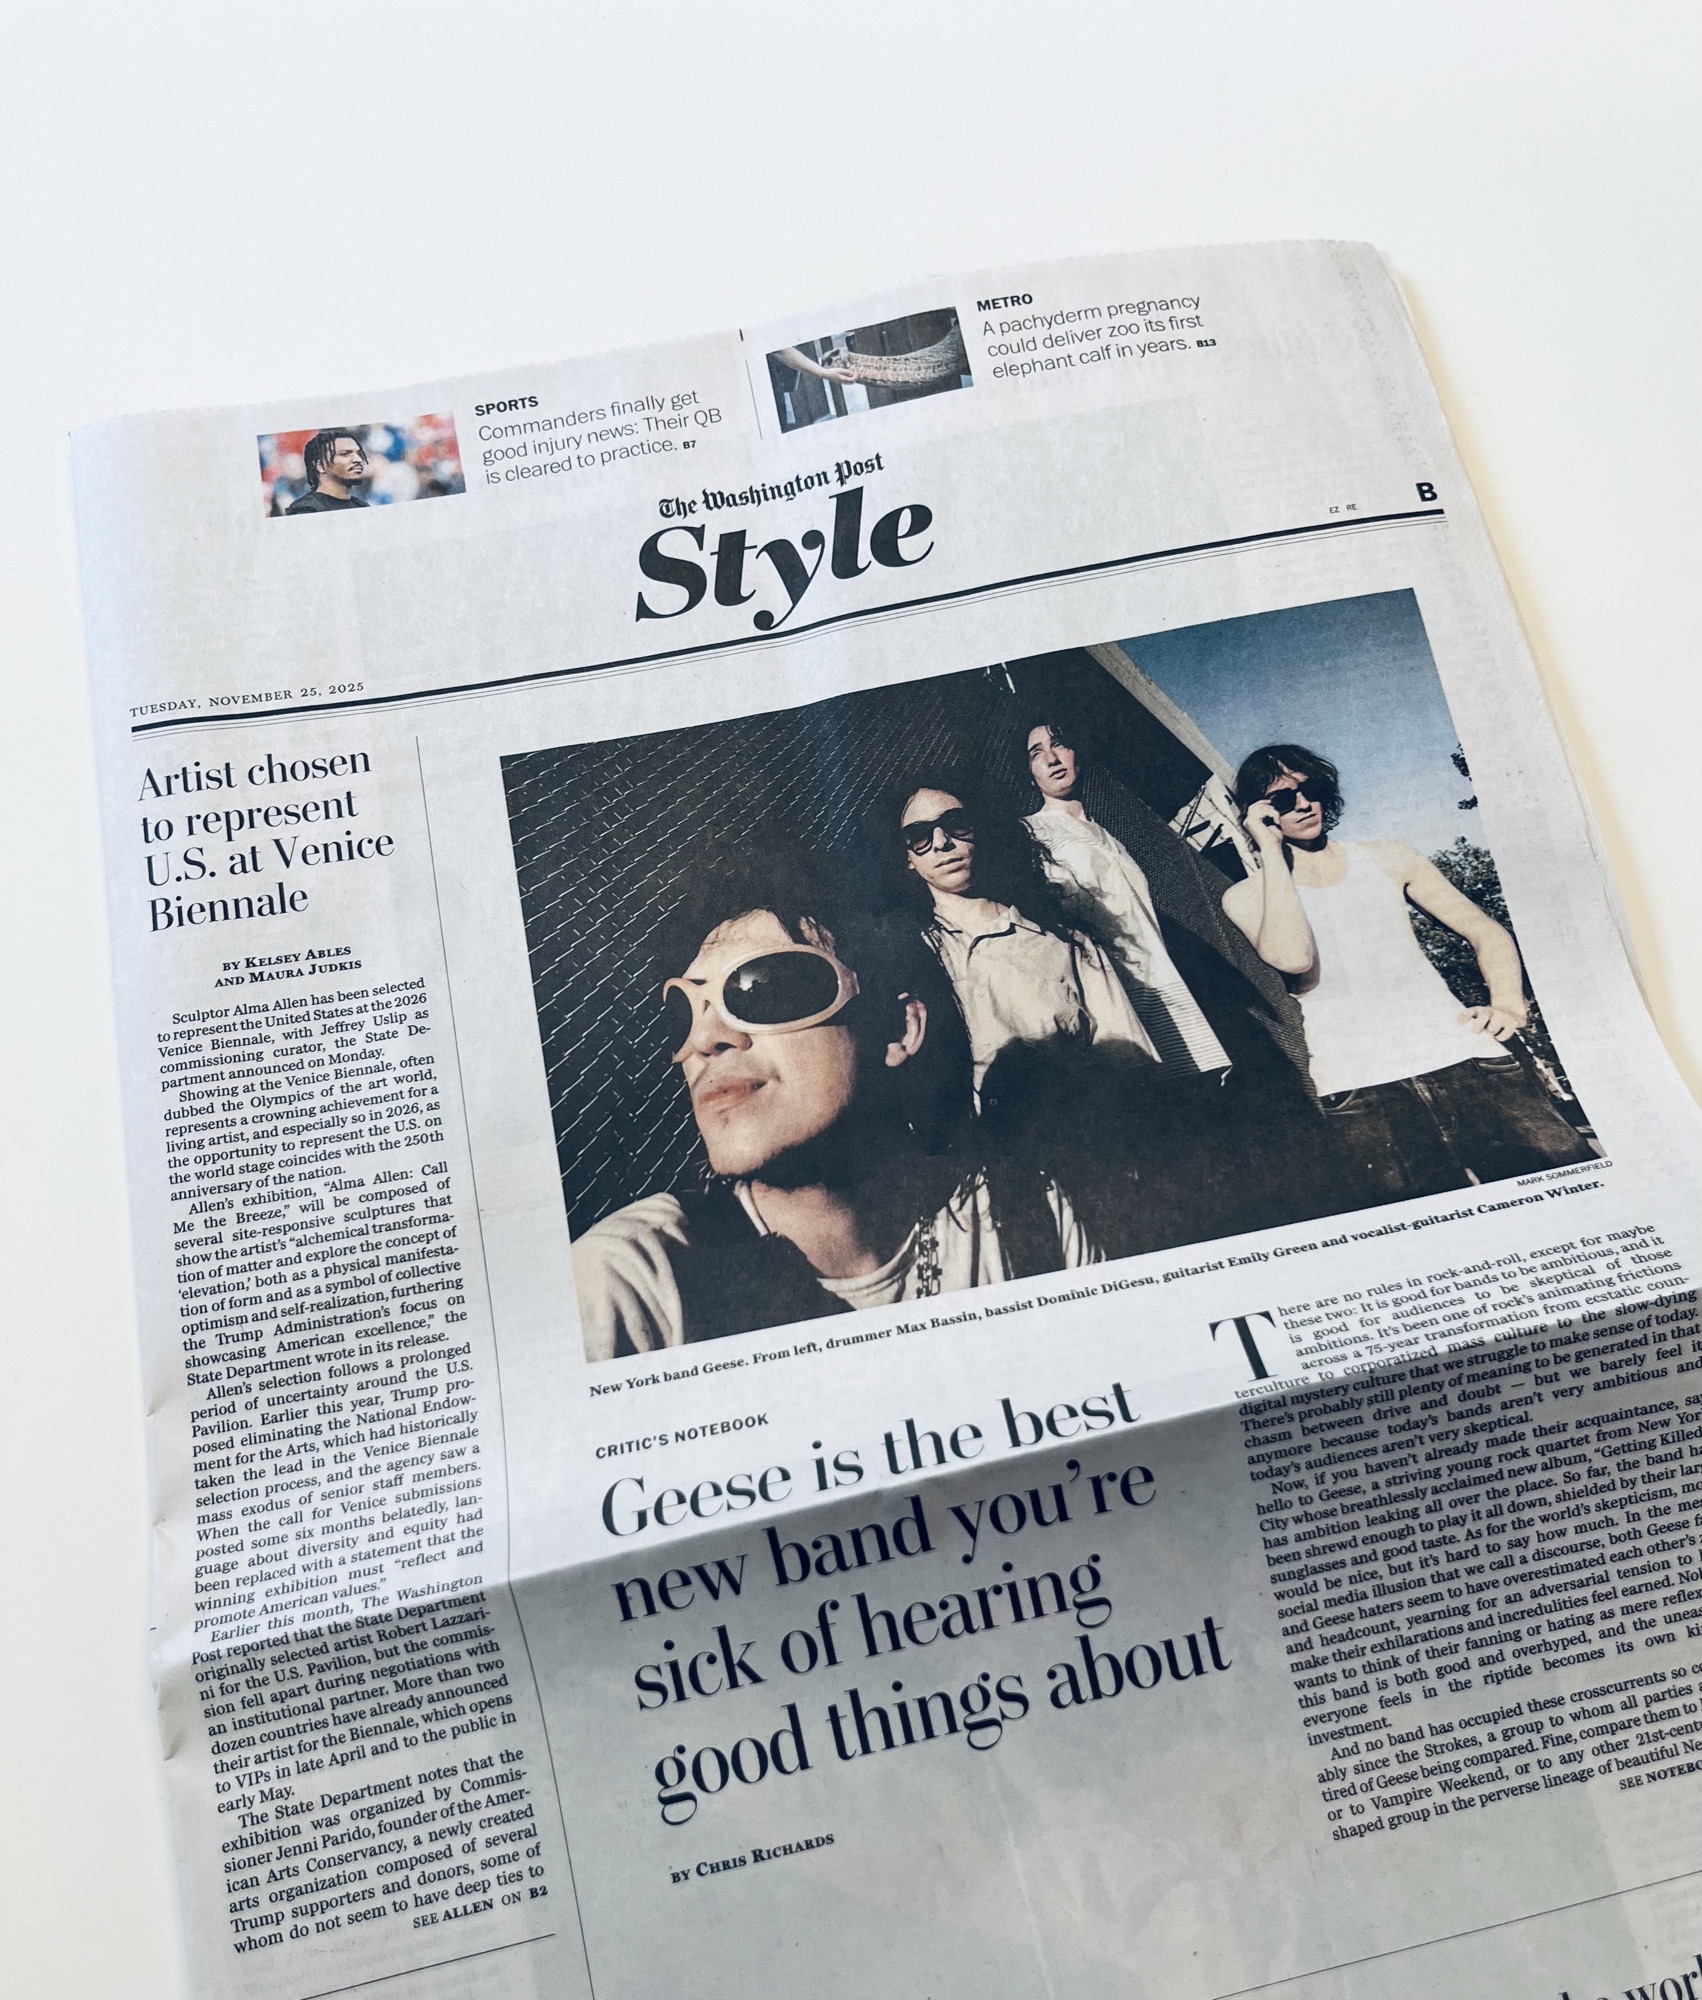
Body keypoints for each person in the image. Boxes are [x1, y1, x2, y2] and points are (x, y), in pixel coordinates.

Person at [572, 842, 1098, 1359]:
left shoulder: (1030, 1217)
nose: (706, 1039)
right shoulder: (630, 1283)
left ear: (897, 1030)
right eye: (684, 1012)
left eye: (761, 988)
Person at [1222, 743, 1596, 1199]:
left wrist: (1508, 1006)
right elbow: (1293, 959)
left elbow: (1485, 931)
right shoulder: (1245, 897)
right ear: (1257, 812)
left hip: (1470, 1060)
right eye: (1282, 799)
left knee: (1572, 1192)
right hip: (1360, 1087)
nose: (1302, 804)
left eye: (1311, 789)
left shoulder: (1389, 857)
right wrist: (1269, 850)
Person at [891, 775, 1158, 1099]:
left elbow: (1132, 1070)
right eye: (919, 836)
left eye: (955, 824)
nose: (940, 842)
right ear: (907, 857)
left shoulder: (1066, 945)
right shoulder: (906, 958)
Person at [1022, 716, 1230, 1073]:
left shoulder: (1107, 835)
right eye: (1036, 753)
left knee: (1201, 1082)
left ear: (1077, 755)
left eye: (1059, 745)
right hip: (1112, 992)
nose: (1052, 759)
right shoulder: (1031, 832)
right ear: (1031, 774)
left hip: (1163, 984)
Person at [284, 428, 370, 514]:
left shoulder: (362, 506)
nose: (358, 459)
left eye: (359, 454)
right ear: (320, 466)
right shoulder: (306, 509)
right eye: (344, 454)